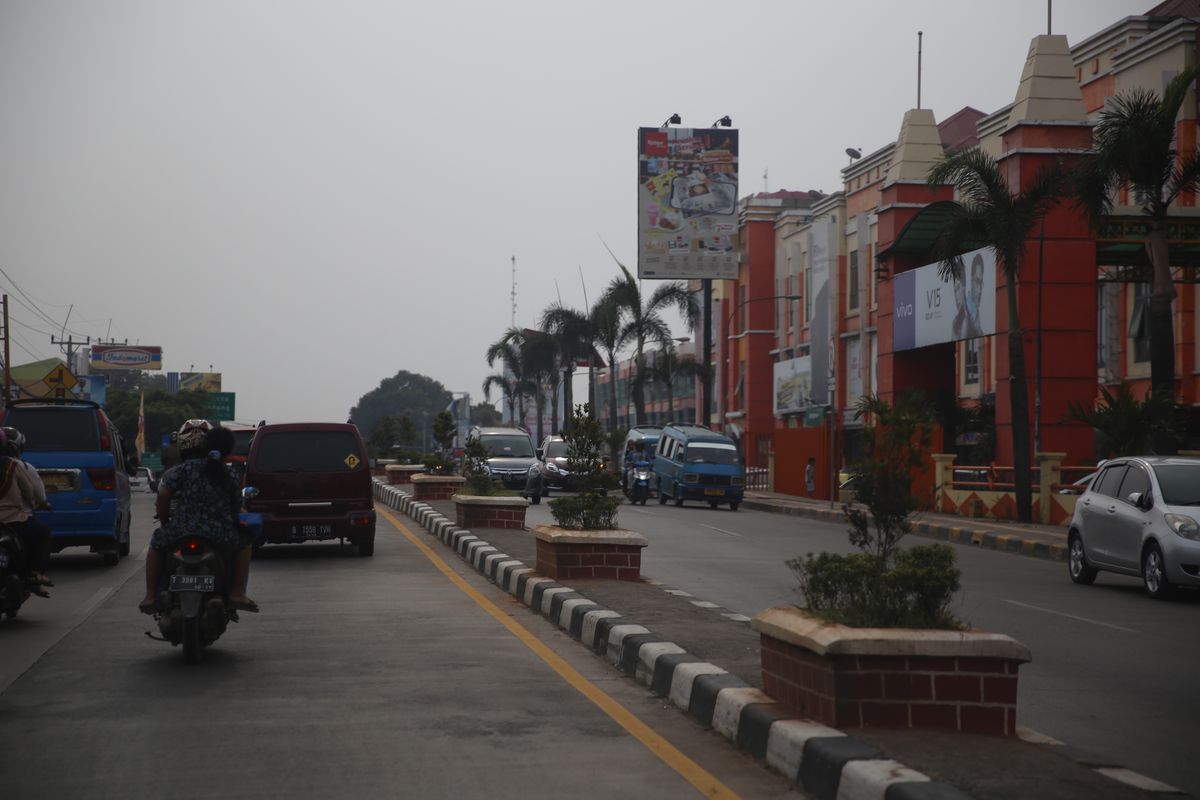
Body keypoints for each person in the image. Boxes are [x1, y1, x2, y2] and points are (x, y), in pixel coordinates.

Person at [139, 420, 258, 614]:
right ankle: (237, 593)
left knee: (156, 543)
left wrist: (165, 522)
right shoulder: (230, 473)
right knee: (245, 543)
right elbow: (236, 507)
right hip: (219, 534)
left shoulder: (176, 471)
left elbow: (162, 497)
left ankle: (150, 595)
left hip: (180, 531)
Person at [0, 428, 51, 597]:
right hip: (12, 520)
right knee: (42, 532)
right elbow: (29, 492)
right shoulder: (14, 465)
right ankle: (36, 573)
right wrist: (35, 503)